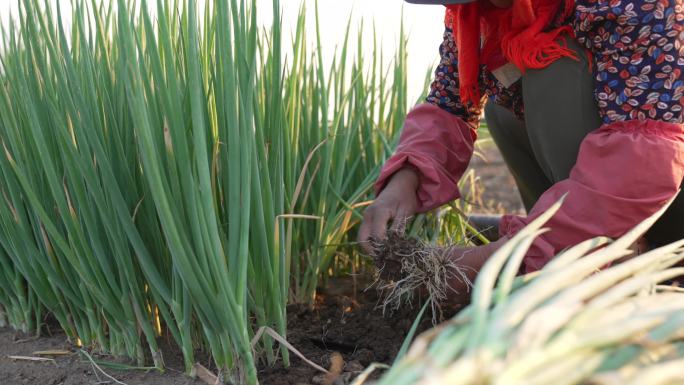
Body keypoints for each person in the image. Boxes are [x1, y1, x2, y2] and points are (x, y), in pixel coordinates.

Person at [358, 0, 684, 295]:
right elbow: (450, 105)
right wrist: (404, 180)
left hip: (662, 193)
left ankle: (608, 257)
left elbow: (646, 162)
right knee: (502, 106)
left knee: (551, 68)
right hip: (630, 196)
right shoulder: (479, 13)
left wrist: (489, 264)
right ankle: (558, 249)